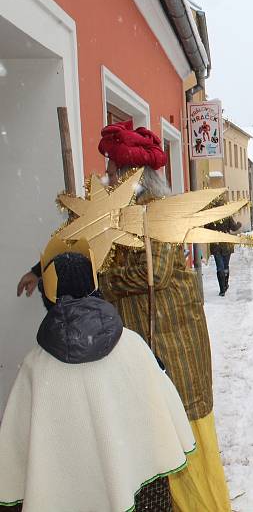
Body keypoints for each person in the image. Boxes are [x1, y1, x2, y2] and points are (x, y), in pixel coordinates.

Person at [13, 120, 232, 511]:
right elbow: (80, 243)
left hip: (173, 340)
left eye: (113, 171)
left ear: (136, 177)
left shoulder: (160, 215)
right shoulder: (117, 214)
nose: (107, 178)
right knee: (152, 437)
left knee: (183, 437)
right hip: (139, 341)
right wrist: (40, 268)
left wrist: (99, 281)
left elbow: (154, 273)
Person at [1, 248, 195, 512]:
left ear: (48, 296)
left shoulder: (35, 366)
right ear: (95, 287)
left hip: (69, 499)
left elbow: (17, 446)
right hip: (142, 494)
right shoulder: (133, 345)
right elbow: (163, 416)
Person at [206, 200, 242, 296]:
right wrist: (239, 224)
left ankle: (222, 289)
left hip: (216, 244)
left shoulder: (212, 218)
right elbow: (234, 228)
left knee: (219, 267)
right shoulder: (227, 216)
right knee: (225, 266)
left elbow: (206, 229)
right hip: (226, 244)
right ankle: (225, 284)